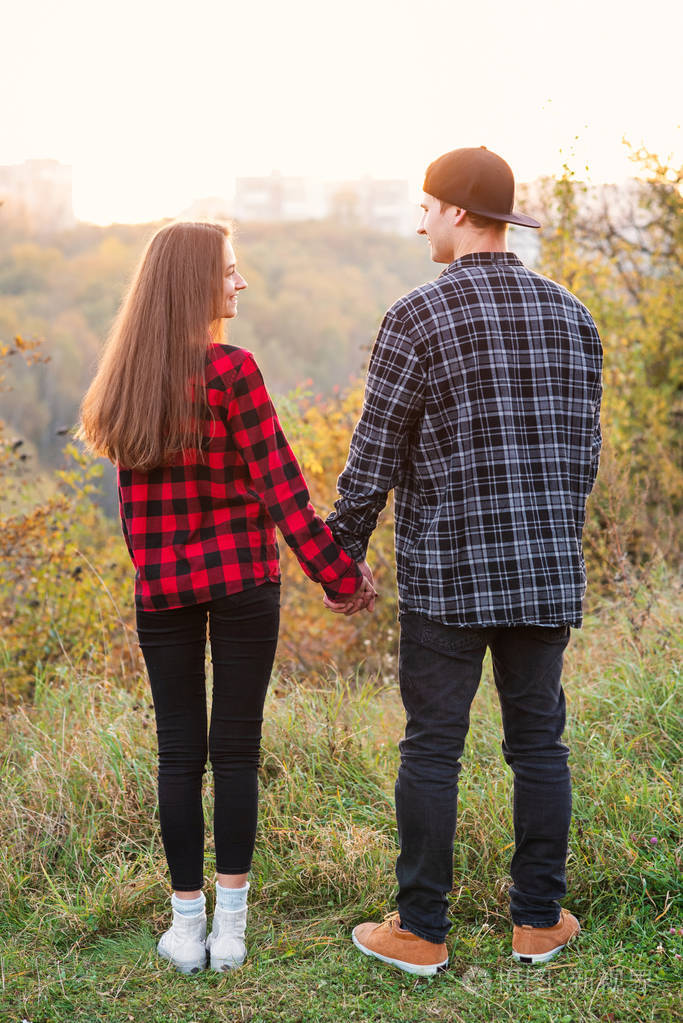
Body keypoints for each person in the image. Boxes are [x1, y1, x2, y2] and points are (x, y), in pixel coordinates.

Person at [324, 147, 603, 974]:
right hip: (544, 569)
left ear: (452, 212)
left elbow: (373, 455)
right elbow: (583, 456)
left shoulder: (416, 315)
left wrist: (341, 554)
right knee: (539, 744)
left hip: (447, 572)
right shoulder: (573, 316)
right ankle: (537, 922)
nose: (420, 224)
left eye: (425, 208)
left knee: (432, 748)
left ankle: (420, 930)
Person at [77, 220, 375, 974]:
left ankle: (187, 930)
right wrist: (339, 575)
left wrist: (159, 569)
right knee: (236, 749)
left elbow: (132, 515)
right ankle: (230, 931)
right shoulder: (231, 370)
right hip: (243, 581)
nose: (240, 282)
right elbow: (283, 490)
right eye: (229, 271)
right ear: (194, 284)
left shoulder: (124, 379)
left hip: (162, 591)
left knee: (177, 753)